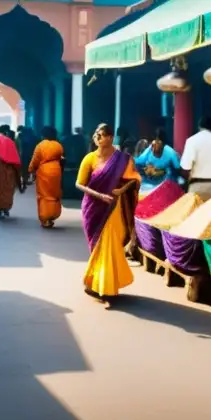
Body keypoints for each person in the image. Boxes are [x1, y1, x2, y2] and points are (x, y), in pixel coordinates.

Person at [76, 124, 140, 305]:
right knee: (97, 248)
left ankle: (106, 289)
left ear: (111, 137)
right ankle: (97, 282)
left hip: (113, 208)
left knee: (109, 245)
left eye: (101, 135)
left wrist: (121, 190)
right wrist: (99, 195)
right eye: (96, 134)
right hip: (92, 208)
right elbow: (79, 184)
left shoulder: (123, 159)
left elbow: (134, 179)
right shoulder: (89, 158)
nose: (97, 137)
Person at [28, 126, 64, 228]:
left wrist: (30, 169)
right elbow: (61, 158)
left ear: (43, 135)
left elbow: (35, 159)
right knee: (54, 193)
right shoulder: (58, 145)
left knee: (44, 195)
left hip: (44, 171)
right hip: (56, 170)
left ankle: (45, 218)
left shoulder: (40, 145)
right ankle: (53, 215)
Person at [0, 125, 21, 219]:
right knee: (8, 188)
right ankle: (5, 207)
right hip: (9, 169)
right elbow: (16, 157)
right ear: (6, 131)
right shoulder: (10, 142)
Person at [135, 129, 181, 195]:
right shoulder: (149, 150)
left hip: (165, 185)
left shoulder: (170, 152)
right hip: (151, 184)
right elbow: (139, 163)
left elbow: (177, 168)